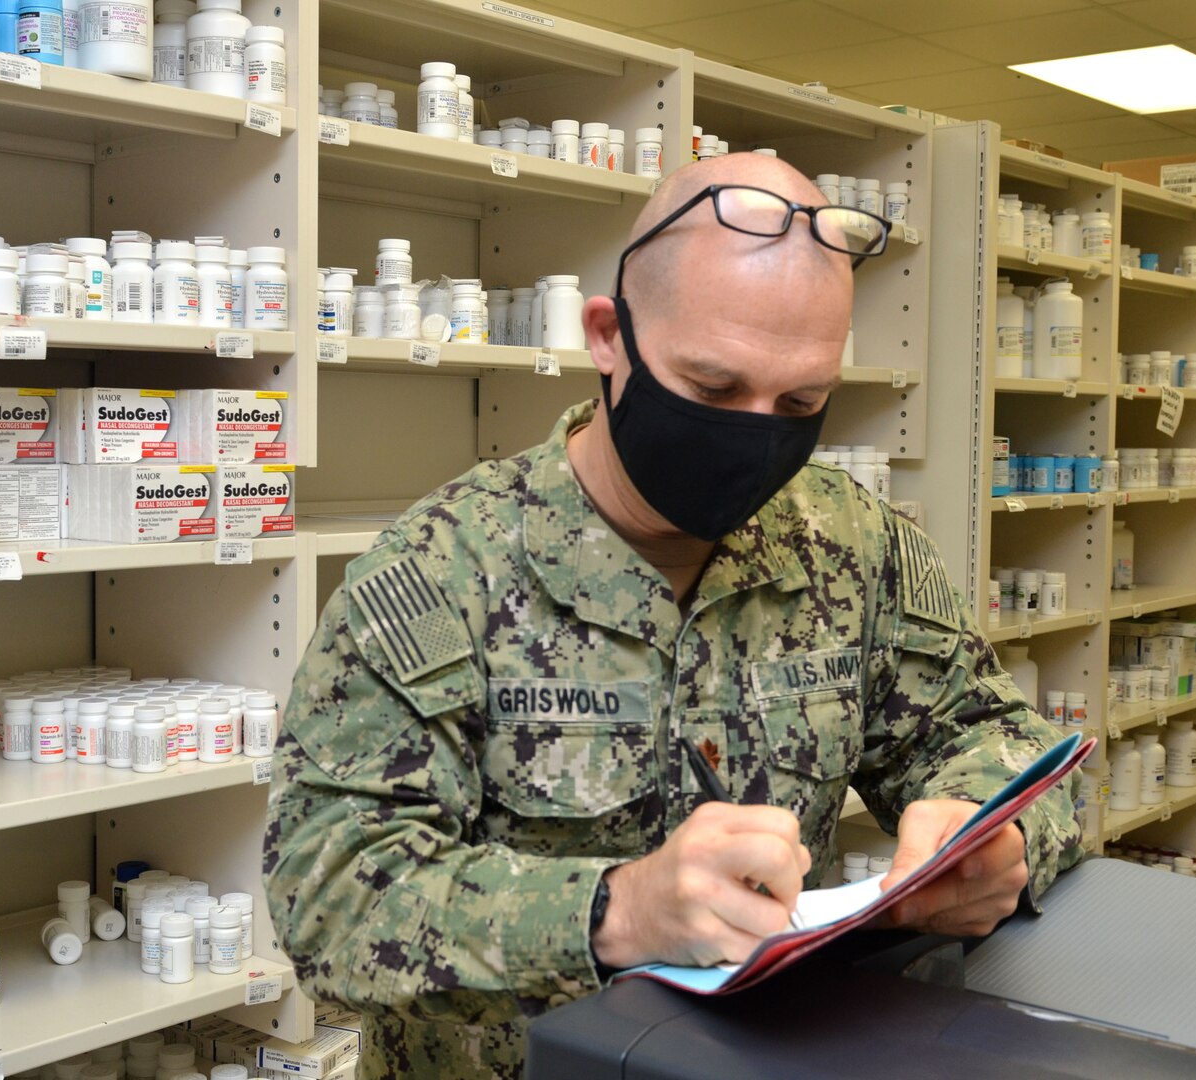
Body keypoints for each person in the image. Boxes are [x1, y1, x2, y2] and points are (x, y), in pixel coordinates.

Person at [264, 153, 1083, 1080]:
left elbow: (1002, 742)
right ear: (610, 337)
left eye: (802, 402)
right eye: (713, 390)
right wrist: (615, 911)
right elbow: (328, 901)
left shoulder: (855, 546)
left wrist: (992, 837)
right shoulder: (442, 572)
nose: (758, 431)